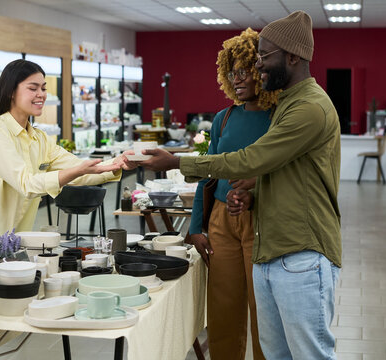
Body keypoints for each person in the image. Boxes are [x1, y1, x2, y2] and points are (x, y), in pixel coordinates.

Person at [135, 11, 341, 359]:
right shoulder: (278, 106)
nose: (258, 66)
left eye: (264, 57)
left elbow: (251, 159)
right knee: (272, 348)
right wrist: (245, 193)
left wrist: (176, 160)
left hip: (300, 251)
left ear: (292, 56)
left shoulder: (306, 108)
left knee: (306, 353)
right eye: (254, 58)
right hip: (271, 246)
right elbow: (270, 170)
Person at [0, 59, 133, 271]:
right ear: (10, 92)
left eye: (43, 88)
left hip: (5, 240)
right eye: (32, 88)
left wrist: (116, 164)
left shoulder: (39, 139)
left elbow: (78, 169)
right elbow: (26, 183)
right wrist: (78, 170)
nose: (41, 94)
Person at [189, 28, 278, 360]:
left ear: (261, 71)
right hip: (221, 222)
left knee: (263, 311)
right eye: (232, 73)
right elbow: (207, 173)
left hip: (262, 221)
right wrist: (196, 226)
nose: (238, 79)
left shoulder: (279, 117)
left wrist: (256, 193)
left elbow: (284, 171)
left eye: (245, 71)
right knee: (223, 309)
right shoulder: (223, 119)